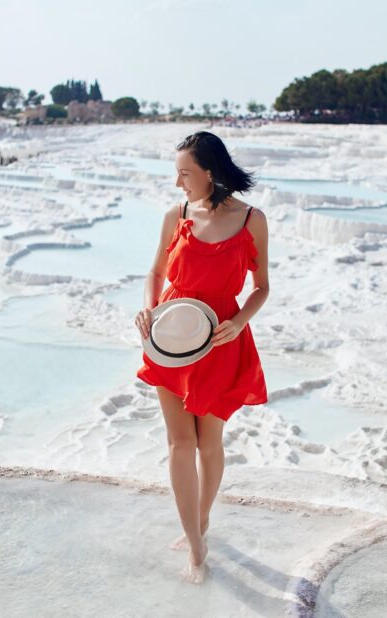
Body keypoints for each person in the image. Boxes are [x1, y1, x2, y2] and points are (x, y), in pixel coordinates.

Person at [134, 131, 270, 584]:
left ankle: (202, 521)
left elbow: (261, 286)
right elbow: (155, 271)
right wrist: (149, 310)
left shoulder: (253, 220)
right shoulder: (176, 215)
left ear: (210, 173)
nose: (178, 183)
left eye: (184, 174)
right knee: (180, 443)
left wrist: (241, 321)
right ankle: (195, 544)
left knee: (209, 444)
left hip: (220, 340)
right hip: (172, 334)